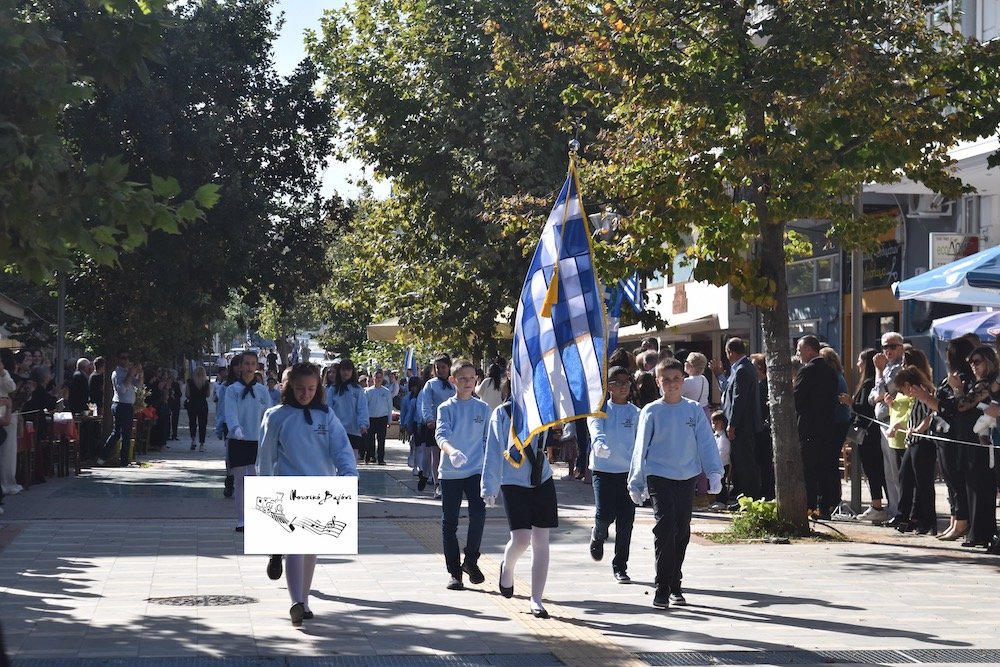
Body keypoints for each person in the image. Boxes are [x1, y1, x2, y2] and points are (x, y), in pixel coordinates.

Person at [257, 362, 358, 626]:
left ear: (319, 388)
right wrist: (264, 488)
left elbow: (341, 448)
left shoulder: (327, 415)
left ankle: (305, 599)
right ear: (289, 388)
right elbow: (265, 456)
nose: (305, 394)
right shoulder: (276, 415)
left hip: (321, 489)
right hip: (288, 487)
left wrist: (349, 474)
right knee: (296, 547)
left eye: (311, 388)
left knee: (311, 547)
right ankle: (296, 601)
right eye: (300, 389)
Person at [627, 359, 723, 609]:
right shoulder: (651, 411)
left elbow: (706, 442)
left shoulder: (693, 410)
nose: (671, 384)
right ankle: (662, 585)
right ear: (658, 382)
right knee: (665, 527)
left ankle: (675, 582)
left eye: (676, 379)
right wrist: (636, 482)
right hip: (659, 476)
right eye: (665, 379)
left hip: (687, 477)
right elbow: (640, 448)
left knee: (681, 530)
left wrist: (714, 473)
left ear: (683, 380)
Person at [482, 402, 559, 619]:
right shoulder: (503, 412)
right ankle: (507, 567)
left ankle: (536, 599)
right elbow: (494, 450)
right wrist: (489, 486)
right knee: (521, 539)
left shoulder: (544, 406)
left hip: (541, 477)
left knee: (541, 540)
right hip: (512, 480)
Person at [907, 338, 976, 540]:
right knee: (949, 480)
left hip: (954, 435)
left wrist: (928, 398)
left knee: (956, 478)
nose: (946, 354)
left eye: (949, 351)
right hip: (941, 434)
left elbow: (953, 408)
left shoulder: (963, 378)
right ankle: (956, 519)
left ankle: (962, 520)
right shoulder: (949, 377)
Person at [433, 359, 491, 590]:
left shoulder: (483, 408)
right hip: (450, 472)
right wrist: (451, 451)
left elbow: (488, 441)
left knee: (478, 514)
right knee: (450, 523)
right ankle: (454, 572)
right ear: (453, 380)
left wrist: (493, 475)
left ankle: (471, 560)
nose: (468, 382)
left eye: (472, 377)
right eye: (463, 378)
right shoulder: (446, 408)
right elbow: (441, 435)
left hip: (476, 469)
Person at [587, 365, 639, 583]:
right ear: (609, 386)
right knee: (605, 514)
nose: (624, 386)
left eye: (627, 382)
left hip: (627, 473)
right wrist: (598, 443)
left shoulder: (635, 412)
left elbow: (640, 441)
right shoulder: (600, 409)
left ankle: (620, 565)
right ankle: (598, 534)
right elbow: (595, 427)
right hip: (603, 471)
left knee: (626, 522)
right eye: (618, 382)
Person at [225, 350, 273, 532]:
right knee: (240, 480)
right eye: (246, 364)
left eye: (253, 364)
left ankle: (255, 516)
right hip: (238, 439)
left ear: (257, 366)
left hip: (257, 440)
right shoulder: (232, 390)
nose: (249, 368)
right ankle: (242, 519)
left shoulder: (262, 391)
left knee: (254, 478)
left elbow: (268, 414)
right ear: (240, 366)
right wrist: (235, 428)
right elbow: (230, 412)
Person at [886, 366, 938, 534]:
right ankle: (903, 515)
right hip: (912, 442)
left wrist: (919, 429)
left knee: (923, 483)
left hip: (923, 442)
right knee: (905, 476)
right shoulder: (913, 397)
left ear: (908, 384)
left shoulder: (923, 392)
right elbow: (911, 417)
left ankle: (928, 520)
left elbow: (931, 415)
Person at [794, 336, 839, 518]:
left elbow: (797, 398)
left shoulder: (807, 371)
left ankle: (810, 505)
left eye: (799, 349)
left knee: (809, 468)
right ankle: (825, 506)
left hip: (809, 427)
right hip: (827, 426)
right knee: (825, 468)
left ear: (809, 350)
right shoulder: (830, 371)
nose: (797, 354)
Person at [847, 348, 889, 524]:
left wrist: (850, 403)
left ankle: (877, 505)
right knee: (879, 470)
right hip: (874, 434)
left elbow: (865, 408)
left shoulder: (868, 383)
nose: (857, 364)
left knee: (873, 470)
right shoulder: (872, 382)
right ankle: (885, 504)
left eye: (860, 361)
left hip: (869, 434)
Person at [869, 331, 905, 520]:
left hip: (894, 421)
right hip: (883, 421)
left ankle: (900, 509)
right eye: (884, 347)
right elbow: (873, 396)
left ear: (901, 347)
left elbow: (883, 389)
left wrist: (878, 372)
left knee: (896, 468)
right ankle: (893, 507)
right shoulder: (887, 367)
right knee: (888, 470)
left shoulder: (900, 367)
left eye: (892, 346)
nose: (888, 351)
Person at [721, 337, 762, 501]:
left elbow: (739, 399)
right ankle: (744, 495)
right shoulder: (744, 367)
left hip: (743, 426)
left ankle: (750, 497)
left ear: (730, 352)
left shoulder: (742, 370)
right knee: (741, 463)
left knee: (745, 463)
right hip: (746, 425)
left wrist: (732, 424)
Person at [417, 354, 455, 497]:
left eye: (443, 367)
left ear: (449, 367)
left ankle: (449, 481)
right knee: (435, 454)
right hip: (436, 424)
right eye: (437, 367)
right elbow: (425, 403)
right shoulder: (431, 384)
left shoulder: (454, 383)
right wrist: (429, 419)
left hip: (452, 424)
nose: (440, 370)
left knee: (449, 453)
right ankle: (437, 484)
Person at [97, 352, 143, 467]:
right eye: (123, 358)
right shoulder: (117, 373)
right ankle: (123, 461)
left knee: (117, 433)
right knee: (124, 434)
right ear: (118, 359)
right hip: (121, 405)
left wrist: (140, 374)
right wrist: (129, 375)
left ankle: (102, 458)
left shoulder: (126, 372)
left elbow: (139, 385)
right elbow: (122, 389)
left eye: (127, 358)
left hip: (127, 406)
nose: (126, 361)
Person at [326, 359, 369, 463]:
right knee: (336, 459)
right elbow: (328, 409)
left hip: (353, 430)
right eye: (343, 370)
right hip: (337, 429)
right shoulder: (333, 390)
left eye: (348, 370)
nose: (346, 373)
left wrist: (363, 424)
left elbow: (362, 408)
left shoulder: (358, 390)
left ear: (352, 372)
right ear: (339, 371)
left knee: (351, 460)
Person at [364, 369, 392, 465]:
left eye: (380, 377)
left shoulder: (386, 391)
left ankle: (381, 458)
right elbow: (364, 406)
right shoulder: (368, 391)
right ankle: (370, 456)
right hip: (371, 418)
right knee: (369, 439)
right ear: (373, 378)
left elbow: (389, 406)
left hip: (382, 418)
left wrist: (389, 420)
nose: (378, 379)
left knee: (381, 440)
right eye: (377, 377)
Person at [709, 411, 732, 509]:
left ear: (723, 423)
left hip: (723, 463)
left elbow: (723, 451)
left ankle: (722, 501)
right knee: (717, 482)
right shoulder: (714, 435)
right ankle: (717, 499)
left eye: (716, 423)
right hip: (715, 463)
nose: (714, 425)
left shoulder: (724, 437)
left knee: (722, 482)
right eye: (712, 423)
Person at [186, 366, 211, 452]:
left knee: (192, 422)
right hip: (202, 404)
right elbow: (208, 395)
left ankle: (193, 440)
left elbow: (187, 394)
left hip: (192, 404)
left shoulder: (190, 382)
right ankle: (202, 444)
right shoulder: (206, 383)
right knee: (202, 424)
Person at [681, 353, 711, 419]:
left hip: (691, 414)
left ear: (691, 365)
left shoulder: (687, 382)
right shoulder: (704, 378)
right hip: (704, 413)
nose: (684, 363)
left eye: (686, 361)